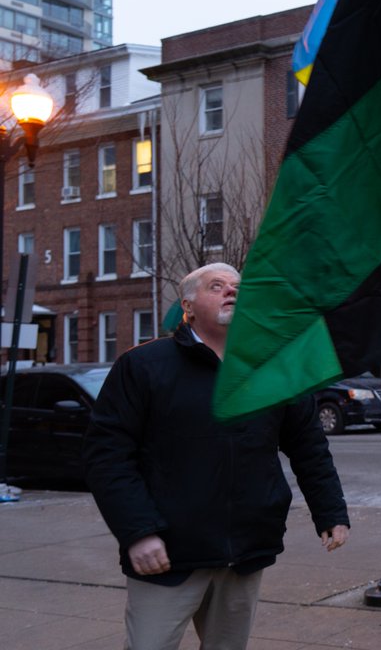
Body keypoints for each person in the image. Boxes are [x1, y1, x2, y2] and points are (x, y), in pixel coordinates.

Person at [83, 263, 351, 650]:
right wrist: (138, 531)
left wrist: (331, 512)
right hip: (168, 555)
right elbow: (106, 455)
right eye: (217, 285)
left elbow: (309, 447)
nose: (232, 292)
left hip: (244, 550)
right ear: (188, 306)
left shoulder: (273, 368)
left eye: (239, 287)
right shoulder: (144, 366)